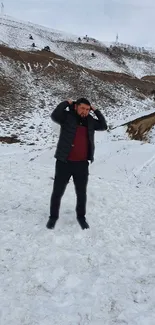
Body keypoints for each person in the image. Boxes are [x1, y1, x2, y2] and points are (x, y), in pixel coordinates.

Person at [46, 98, 107, 230]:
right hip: (64, 162)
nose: (85, 111)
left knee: (81, 193)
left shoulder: (90, 121)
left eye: (87, 109)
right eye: (82, 108)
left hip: (82, 164)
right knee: (57, 191)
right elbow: (54, 115)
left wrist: (96, 110)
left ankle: (81, 217)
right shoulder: (67, 117)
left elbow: (103, 125)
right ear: (76, 107)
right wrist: (66, 103)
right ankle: (53, 217)